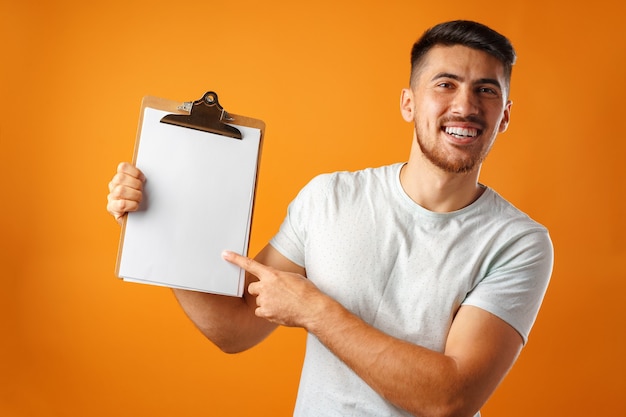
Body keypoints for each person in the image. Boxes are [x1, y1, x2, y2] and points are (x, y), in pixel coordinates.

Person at [107, 20, 553, 417]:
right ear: (409, 103)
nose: (465, 106)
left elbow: (450, 399)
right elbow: (236, 327)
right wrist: (156, 225)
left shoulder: (518, 242)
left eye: (486, 90)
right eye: (445, 84)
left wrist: (314, 311)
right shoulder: (329, 198)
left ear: (505, 115)